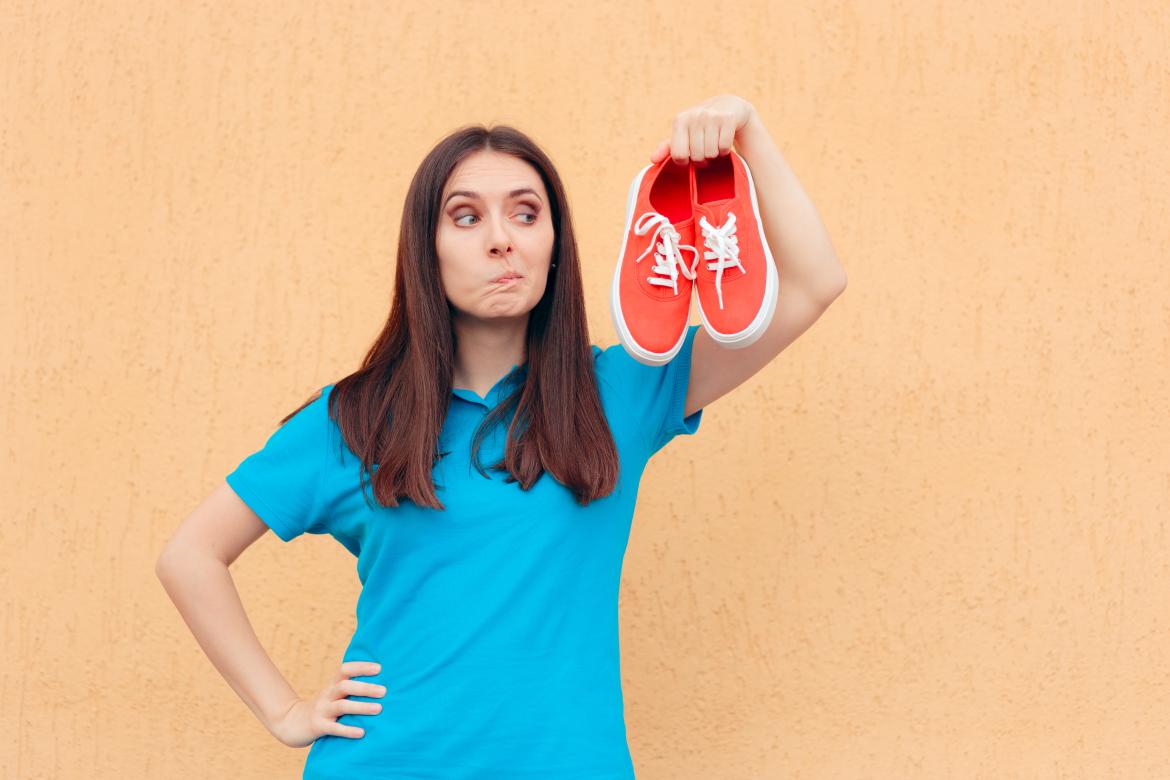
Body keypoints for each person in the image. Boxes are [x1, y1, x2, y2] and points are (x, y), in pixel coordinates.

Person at [156, 96, 846, 780]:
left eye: (525, 212)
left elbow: (815, 284)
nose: (500, 238)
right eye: (466, 216)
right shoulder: (355, 419)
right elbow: (189, 557)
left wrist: (748, 136)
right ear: (426, 249)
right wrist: (284, 712)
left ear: (555, 247)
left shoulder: (621, 393)